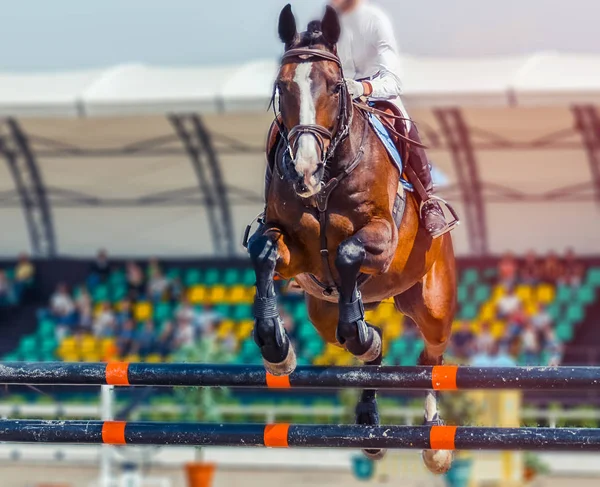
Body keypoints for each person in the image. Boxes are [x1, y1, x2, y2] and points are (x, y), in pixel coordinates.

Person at [328, 0, 457, 237]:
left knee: (403, 123)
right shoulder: (326, 23)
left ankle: (428, 201)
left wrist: (364, 87)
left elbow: (393, 80)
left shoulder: (375, 21)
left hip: (375, 94)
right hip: (339, 100)